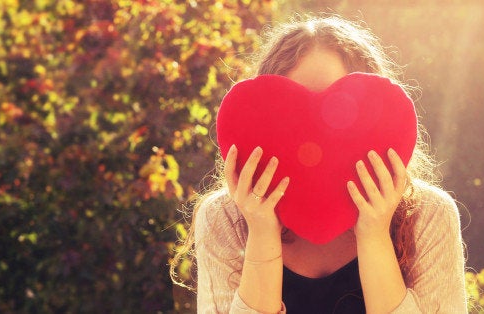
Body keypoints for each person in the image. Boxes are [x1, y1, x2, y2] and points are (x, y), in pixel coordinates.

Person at [171, 15, 467, 314]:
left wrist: (374, 234)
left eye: (338, 110)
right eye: (293, 115)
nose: (315, 133)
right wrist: (261, 233)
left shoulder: (428, 216)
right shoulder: (225, 217)